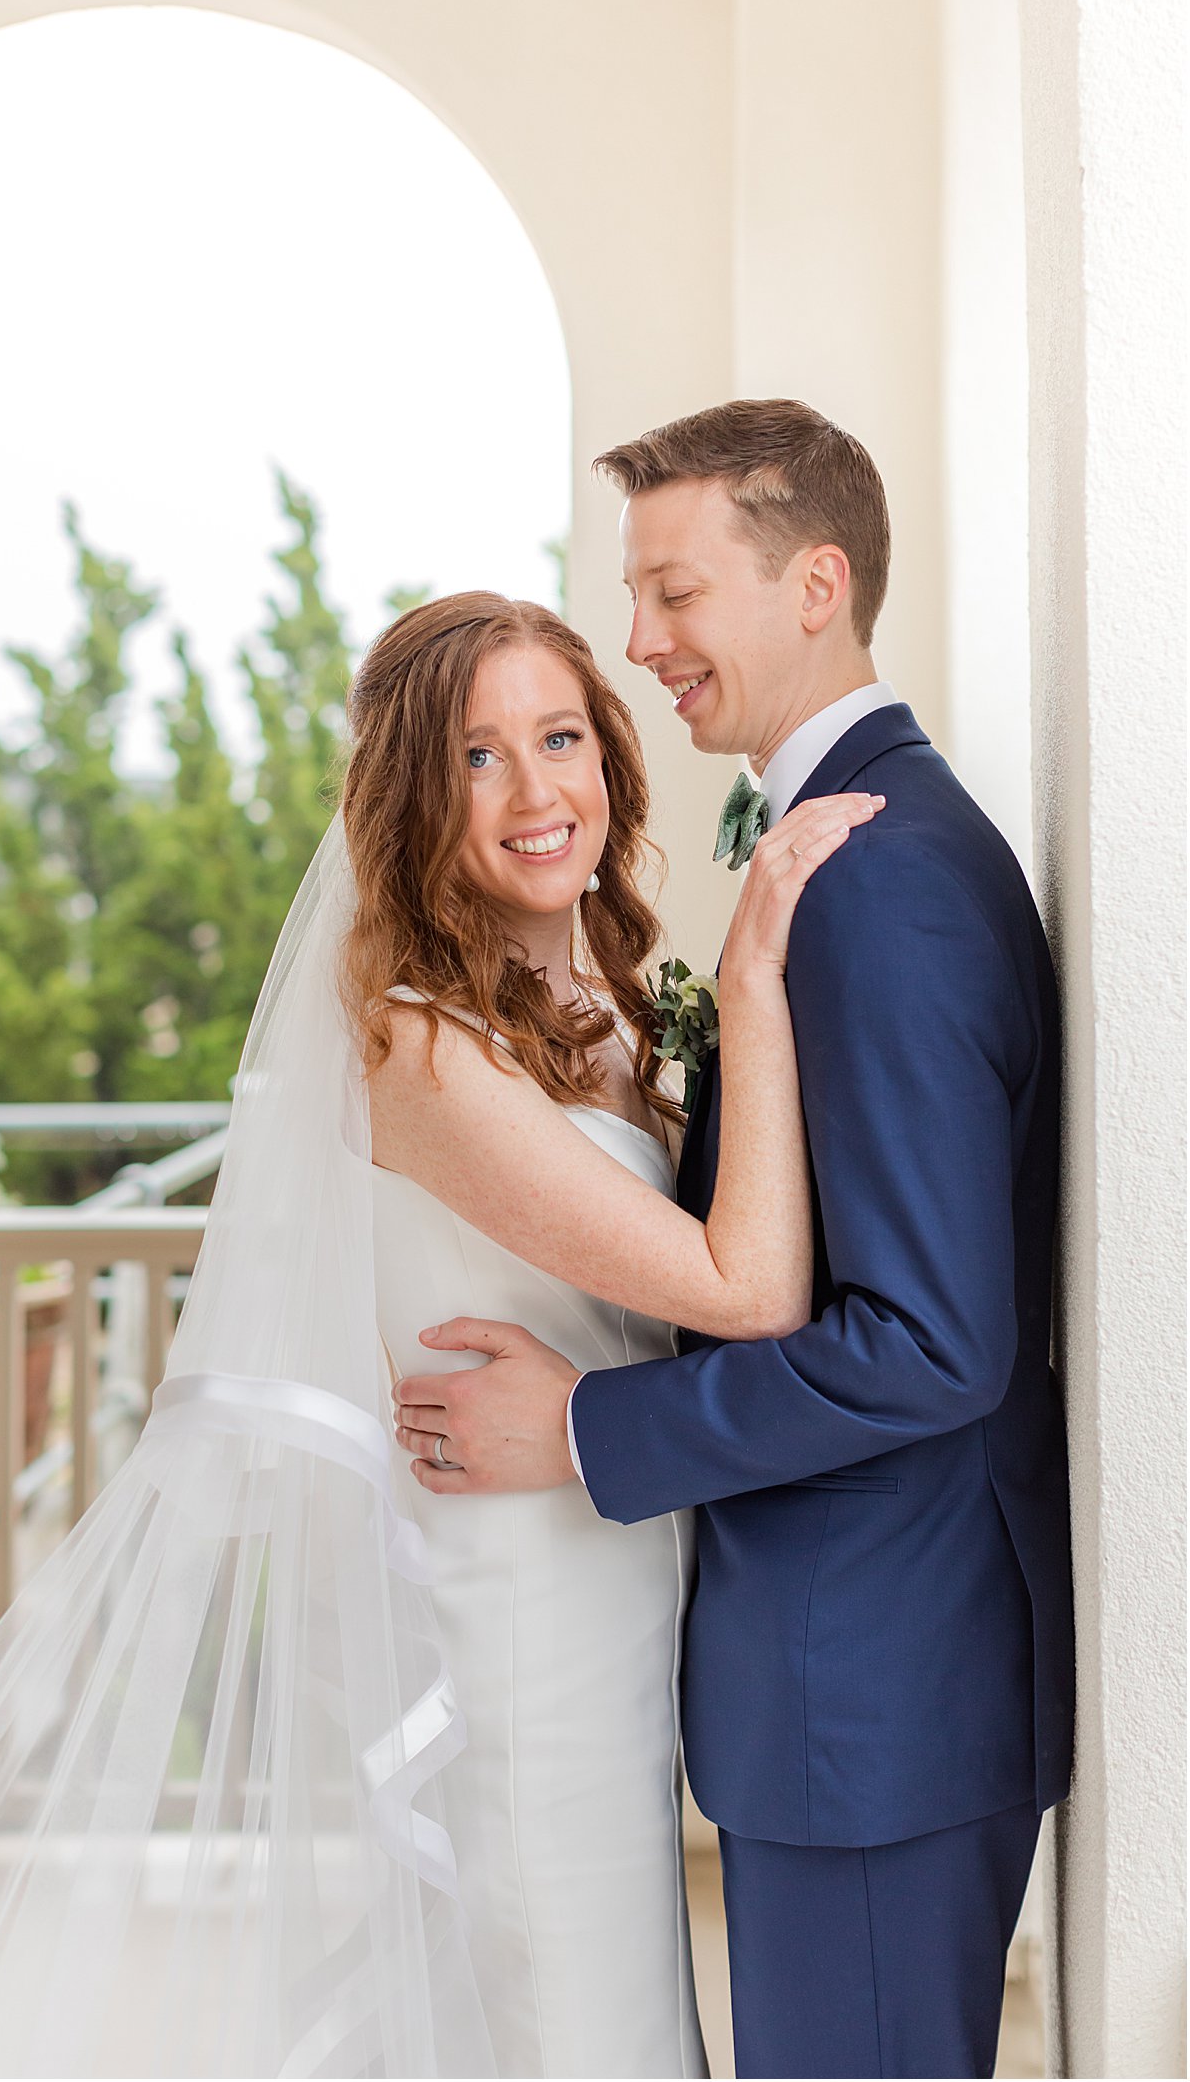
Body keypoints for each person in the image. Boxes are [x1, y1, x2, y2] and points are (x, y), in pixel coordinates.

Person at [0, 590, 878, 2082]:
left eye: (558, 737)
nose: (533, 791)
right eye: (476, 758)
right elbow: (744, 1288)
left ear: (611, 760)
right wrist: (760, 974)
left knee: (611, 2002)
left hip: (625, 1564)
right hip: (526, 1593)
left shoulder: (615, 1001)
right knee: (579, 2017)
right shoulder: (422, 1042)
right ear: (411, 801)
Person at [393, 401, 1074, 2082]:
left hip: (874, 1687)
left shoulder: (878, 876)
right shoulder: (830, 855)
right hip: (842, 1680)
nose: (645, 643)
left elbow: (929, 1338)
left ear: (816, 585)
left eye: (675, 593)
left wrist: (582, 1427)